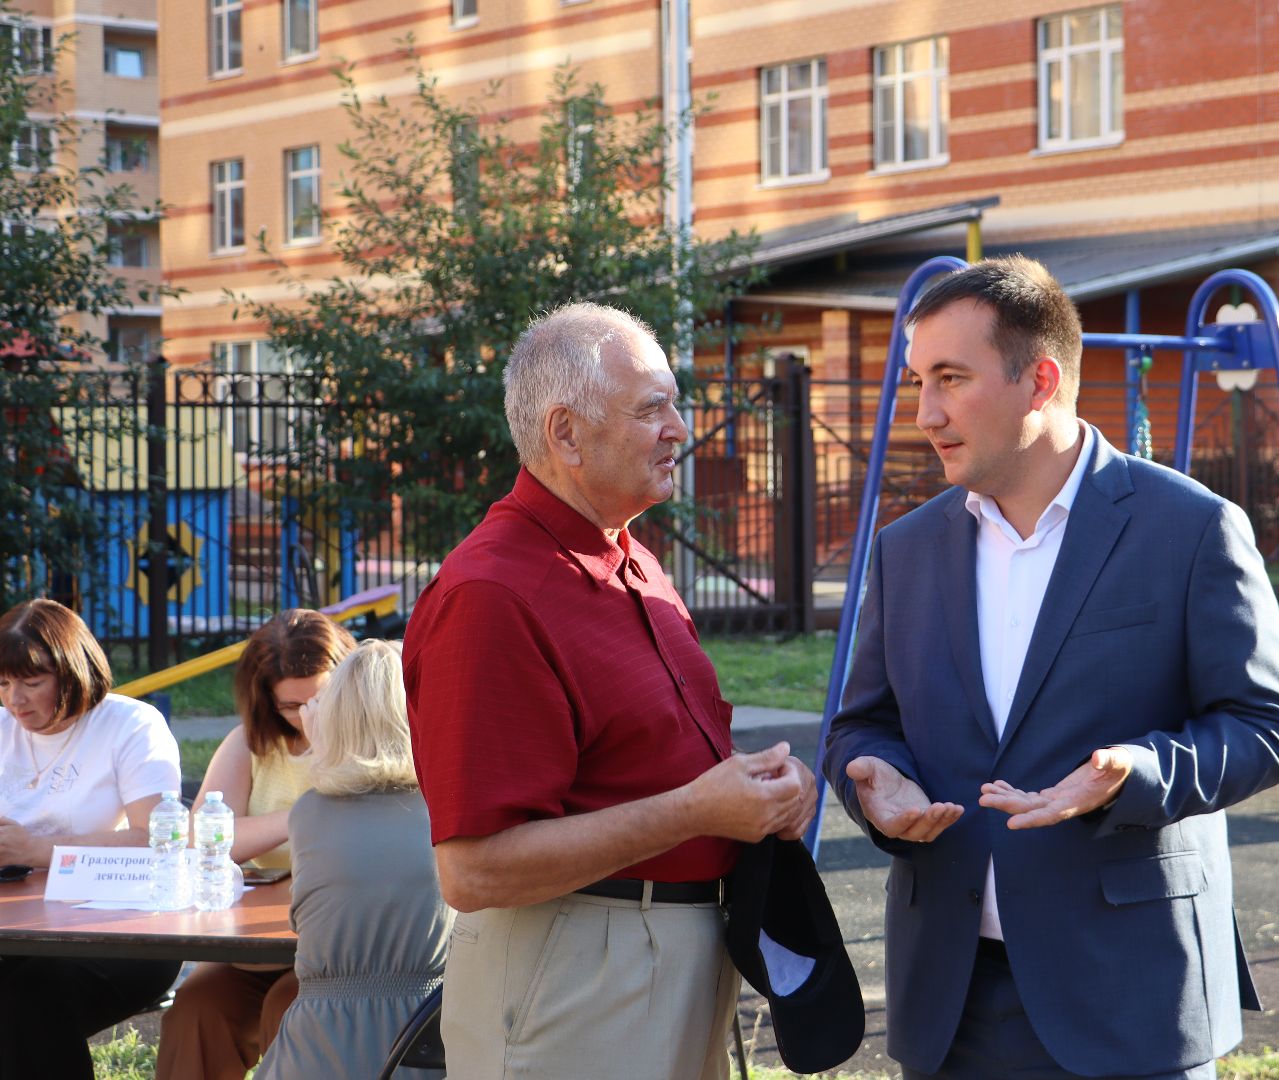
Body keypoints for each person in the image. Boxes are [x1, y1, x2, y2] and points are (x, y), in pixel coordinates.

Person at [822, 257, 1279, 1080]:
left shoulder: (1190, 527)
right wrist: (875, 778)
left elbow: (1268, 727)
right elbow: (862, 724)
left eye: (949, 378)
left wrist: (1141, 770)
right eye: (916, 382)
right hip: (950, 997)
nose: (925, 413)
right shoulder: (905, 549)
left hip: (1131, 993)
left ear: (1040, 379)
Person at [403, 302, 818, 1080]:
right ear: (566, 434)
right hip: (575, 971)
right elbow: (474, 869)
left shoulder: (630, 559)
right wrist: (698, 810)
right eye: (651, 407)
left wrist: (757, 790)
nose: (680, 427)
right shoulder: (492, 593)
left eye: (675, 401)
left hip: (665, 954)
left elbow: (650, 763)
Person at [157, 609, 356, 1080]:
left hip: (340, 947)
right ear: (266, 701)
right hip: (260, 944)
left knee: (292, 1007)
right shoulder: (252, 742)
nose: (310, 717)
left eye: (322, 699)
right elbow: (202, 838)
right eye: (292, 706)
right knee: (196, 1009)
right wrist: (301, 815)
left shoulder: (377, 743)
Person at [0, 598, 183, 1080]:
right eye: (2, 683)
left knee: (27, 999)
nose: (15, 699)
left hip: (119, 929)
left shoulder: (131, 725)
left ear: (72, 672)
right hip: (15, 924)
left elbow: (159, 841)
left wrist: (36, 850)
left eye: (32, 682)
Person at [255, 639, 451, 1080]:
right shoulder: (447, 807)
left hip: (318, 1046)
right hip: (428, 1038)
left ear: (333, 717)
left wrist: (318, 742)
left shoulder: (310, 813)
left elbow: (304, 923)